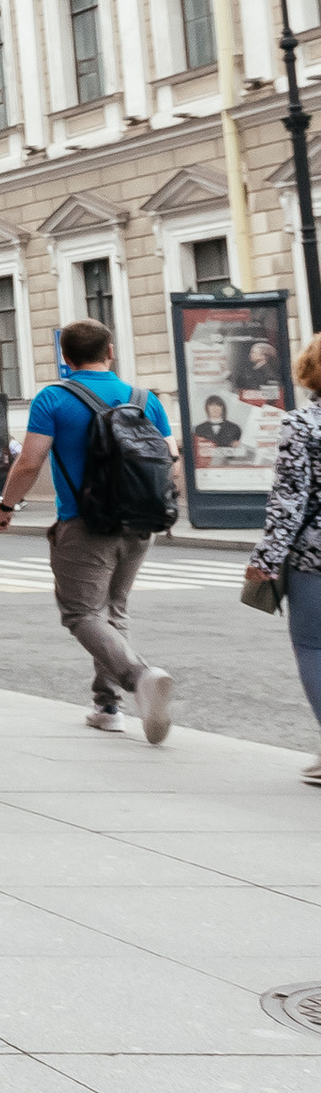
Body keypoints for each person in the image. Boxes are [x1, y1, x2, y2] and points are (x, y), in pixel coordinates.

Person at [0, 316, 179, 739]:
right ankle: (107, 705)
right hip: (140, 521)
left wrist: (5, 506)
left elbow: (30, 461)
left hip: (84, 521)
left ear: (65, 357)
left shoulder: (53, 398)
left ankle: (139, 678)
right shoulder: (144, 397)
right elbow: (170, 458)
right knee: (114, 609)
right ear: (110, 351)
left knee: (81, 613)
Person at [248, 332, 321, 787]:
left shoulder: (303, 423)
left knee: (314, 647)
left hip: (314, 555)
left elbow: (289, 499)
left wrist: (267, 558)